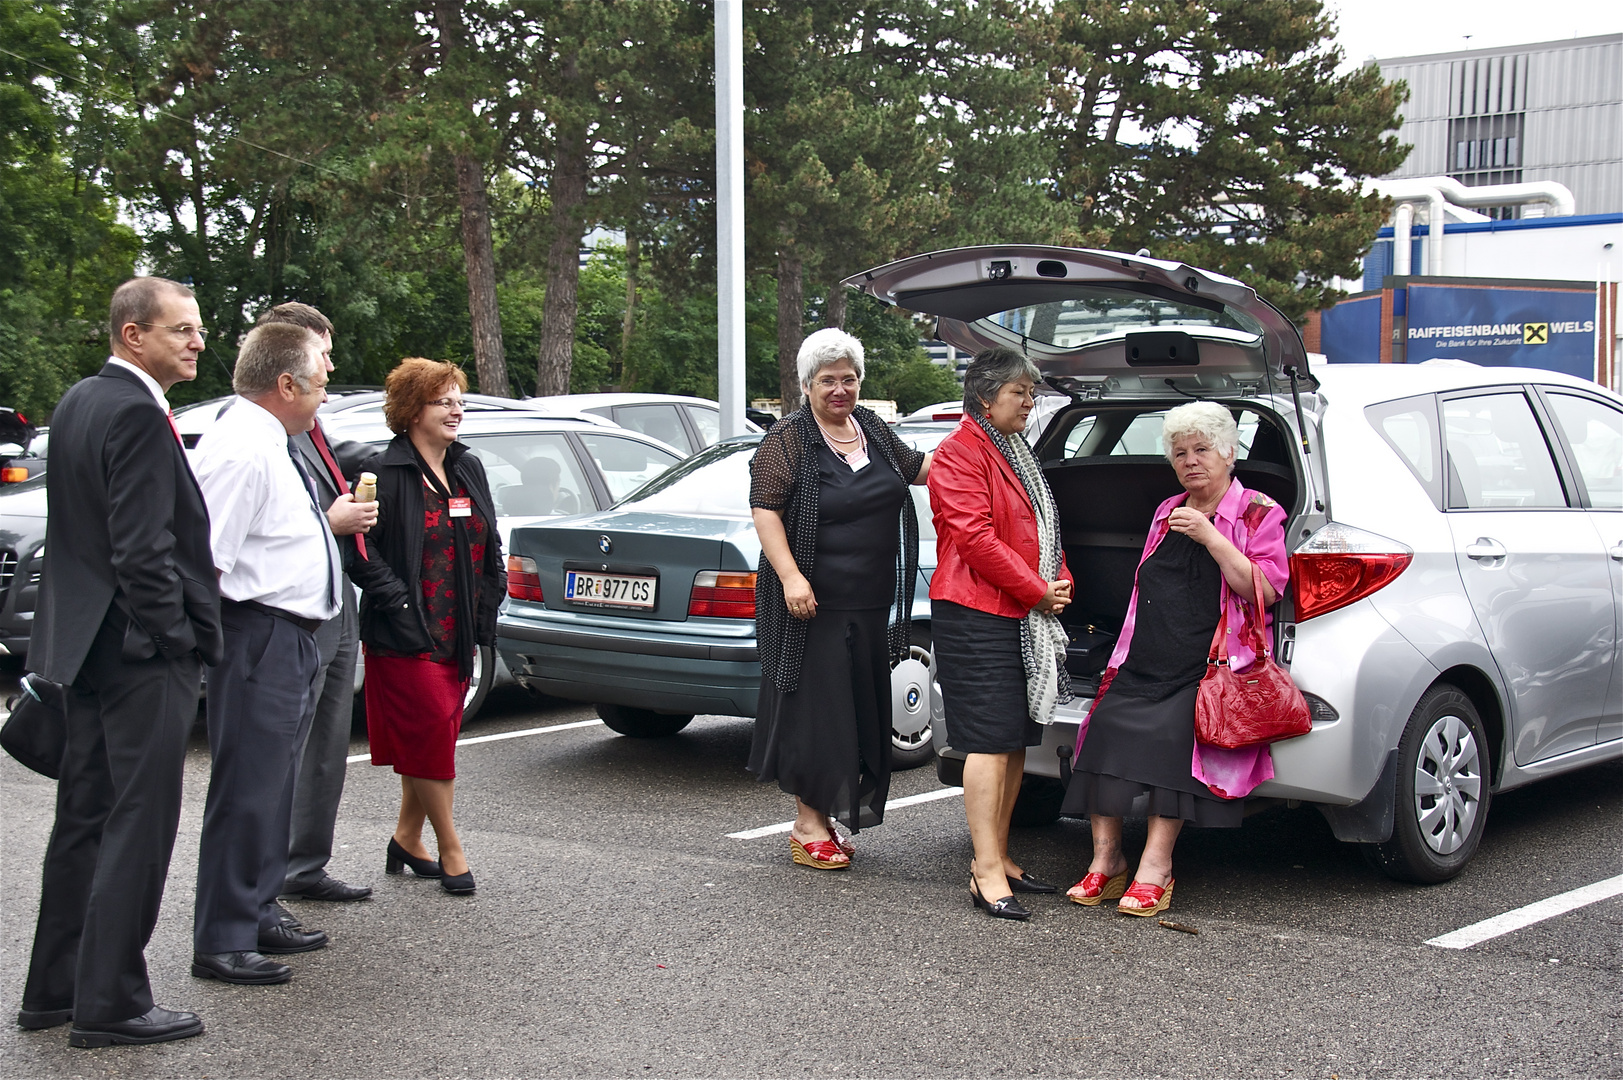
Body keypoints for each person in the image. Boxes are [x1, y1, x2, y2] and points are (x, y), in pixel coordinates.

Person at [18, 277, 222, 1047]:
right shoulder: (136, 410)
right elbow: (143, 551)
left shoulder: (79, 400)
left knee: (85, 820)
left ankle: (55, 992)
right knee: (138, 824)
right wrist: (178, 640)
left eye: (197, 329)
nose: (197, 340)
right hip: (139, 652)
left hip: (87, 648)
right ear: (133, 335)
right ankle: (112, 1004)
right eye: (181, 329)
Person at [1061, 400, 1288, 916]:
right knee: (1104, 728)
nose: (1190, 461)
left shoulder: (1257, 512)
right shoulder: (1166, 510)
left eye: (1202, 449)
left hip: (1210, 663)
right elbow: (1147, 589)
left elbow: (1264, 590)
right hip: (1148, 655)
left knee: (1170, 736)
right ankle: (1107, 861)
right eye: (1180, 452)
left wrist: (1211, 536)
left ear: (1229, 453)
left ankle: (1155, 867)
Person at [190, 322, 341, 985]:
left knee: (268, 787)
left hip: (288, 636)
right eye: (322, 379)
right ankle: (221, 939)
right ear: (287, 384)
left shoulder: (269, 441)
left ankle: (252, 911)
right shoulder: (243, 451)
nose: (326, 395)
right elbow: (205, 563)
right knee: (246, 791)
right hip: (257, 636)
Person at [748, 328, 932, 869]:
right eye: (828, 380)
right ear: (807, 385)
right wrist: (791, 577)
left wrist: (978, 454)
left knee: (854, 711)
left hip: (870, 601)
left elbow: (920, 469)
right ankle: (808, 824)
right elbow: (765, 510)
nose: (840, 389)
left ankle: (823, 818)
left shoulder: (871, 429)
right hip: (812, 604)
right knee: (818, 714)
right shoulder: (788, 439)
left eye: (848, 379)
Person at [349, 358, 505, 896]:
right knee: (435, 732)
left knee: (432, 735)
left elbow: (489, 538)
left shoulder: (467, 467)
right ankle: (451, 846)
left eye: (460, 399)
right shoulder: (384, 474)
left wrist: (493, 591)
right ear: (413, 410)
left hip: (459, 630)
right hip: (406, 634)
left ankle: (405, 838)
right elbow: (360, 553)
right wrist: (399, 604)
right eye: (444, 401)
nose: (456, 409)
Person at [928, 348, 1074, 921]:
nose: (1030, 403)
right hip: (974, 613)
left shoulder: (1014, 452)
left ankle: (1001, 854)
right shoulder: (958, 453)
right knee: (988, 742)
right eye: (1022, 393)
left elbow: (1042, 527)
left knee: (1014, 740)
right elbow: (975, 538)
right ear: (987, 397)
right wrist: (1037, 590)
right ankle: (984, 870)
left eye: (1031, 394)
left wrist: (1059, 580)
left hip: (1020, 609)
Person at [253, 303, 378, 907]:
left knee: (328, 742)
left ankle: (305, 864)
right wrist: (333, 522)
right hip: (291, 609)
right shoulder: (260, 433)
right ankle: (263, 885)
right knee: (285, 749)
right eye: (322, 355)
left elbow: (334, 459)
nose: (330, 366)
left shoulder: (309, 421)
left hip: (334, 596)